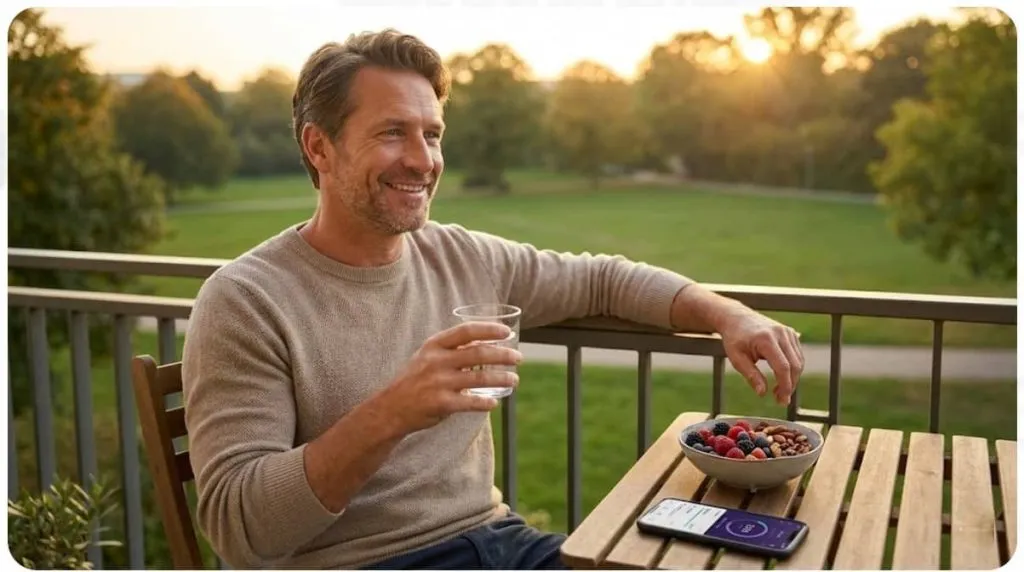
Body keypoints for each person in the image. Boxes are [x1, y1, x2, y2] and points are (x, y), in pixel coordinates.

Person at [181, 29, 805, 570]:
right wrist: (394, 410)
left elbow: (603, 280)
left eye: (432, 134)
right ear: (319, 146)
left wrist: (728, 314)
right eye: (393, 133)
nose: (422, 160)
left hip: (499, 544)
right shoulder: (246, 299)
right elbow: (241, 529)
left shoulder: (459, 254)